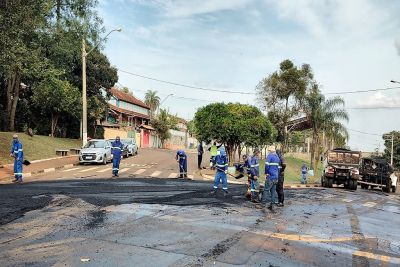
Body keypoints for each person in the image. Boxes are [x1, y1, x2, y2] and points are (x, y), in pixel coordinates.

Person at [262, 145, 281, 210]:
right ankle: (272, 205)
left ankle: (263, 204)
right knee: (273, 191)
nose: (268, 152)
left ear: (270, 151)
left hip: (270, 176)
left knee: (266, 190)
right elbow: (278, 169)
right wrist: (277, 176)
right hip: (276, 177)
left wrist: (266, 173)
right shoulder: (277, 158)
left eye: (268, 150)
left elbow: (266, 165)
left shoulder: (270, 156)